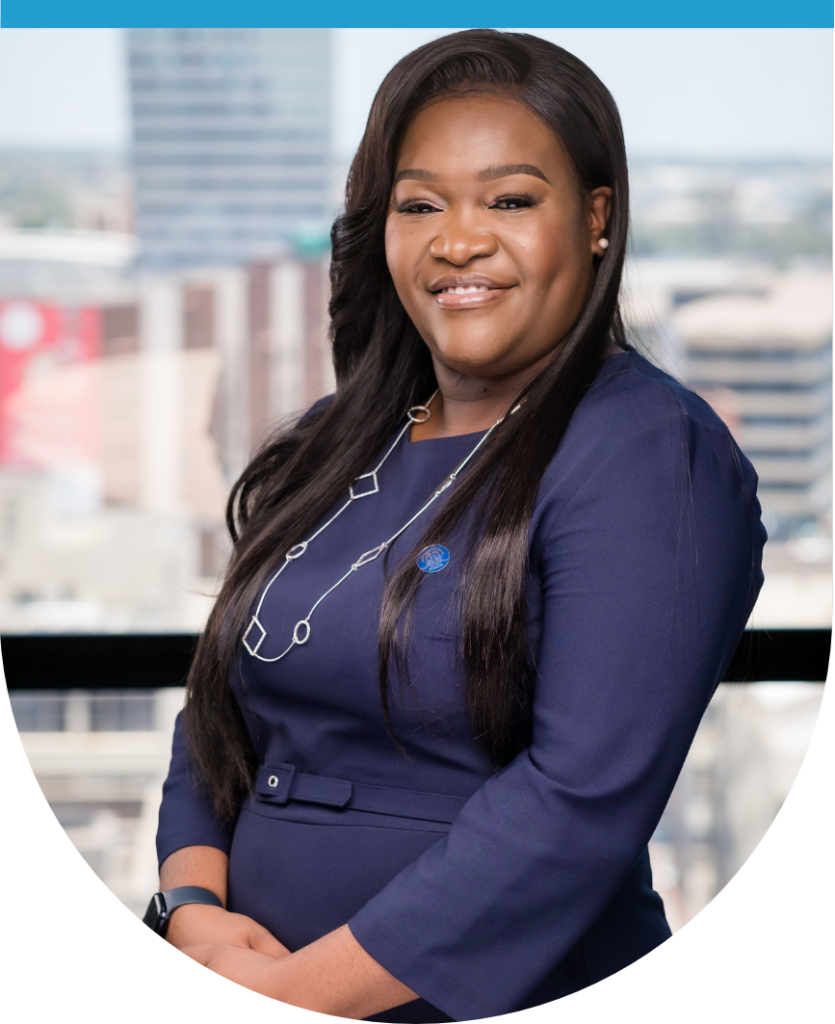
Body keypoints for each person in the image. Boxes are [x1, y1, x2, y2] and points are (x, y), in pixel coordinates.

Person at [151, 30, 765, 1021]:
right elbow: (219, 709)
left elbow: (579, 800)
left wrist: (297, 993)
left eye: (509, 201)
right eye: (420, 204)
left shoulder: (648, 451)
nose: (458, 240)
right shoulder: (333, 436)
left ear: (596, 217)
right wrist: (190, 907)